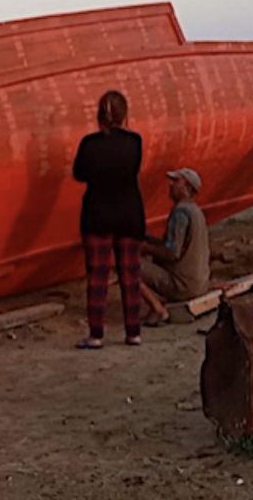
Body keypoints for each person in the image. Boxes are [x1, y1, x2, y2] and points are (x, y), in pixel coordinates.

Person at [72, 90, 146, 348]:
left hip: (97, 214)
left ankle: (96, 335)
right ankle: (133, 332)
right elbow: (134, 168)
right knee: (130, 276)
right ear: (125, 115)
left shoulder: (89, 144)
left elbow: (78, 174)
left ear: (98, 116)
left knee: (98, 276)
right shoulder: (134, 142)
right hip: (128, 214)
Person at [140, 168, 211, 326]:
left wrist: (144, 248)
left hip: (184, 286)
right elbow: (173, 244)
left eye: (176, 181)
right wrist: (147, 237)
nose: (170, 185)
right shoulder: (195, 211)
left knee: (127, 266)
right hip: (200, 284)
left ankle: (157, 309)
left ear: (187, 187)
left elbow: (172, 252)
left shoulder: (180, 212)